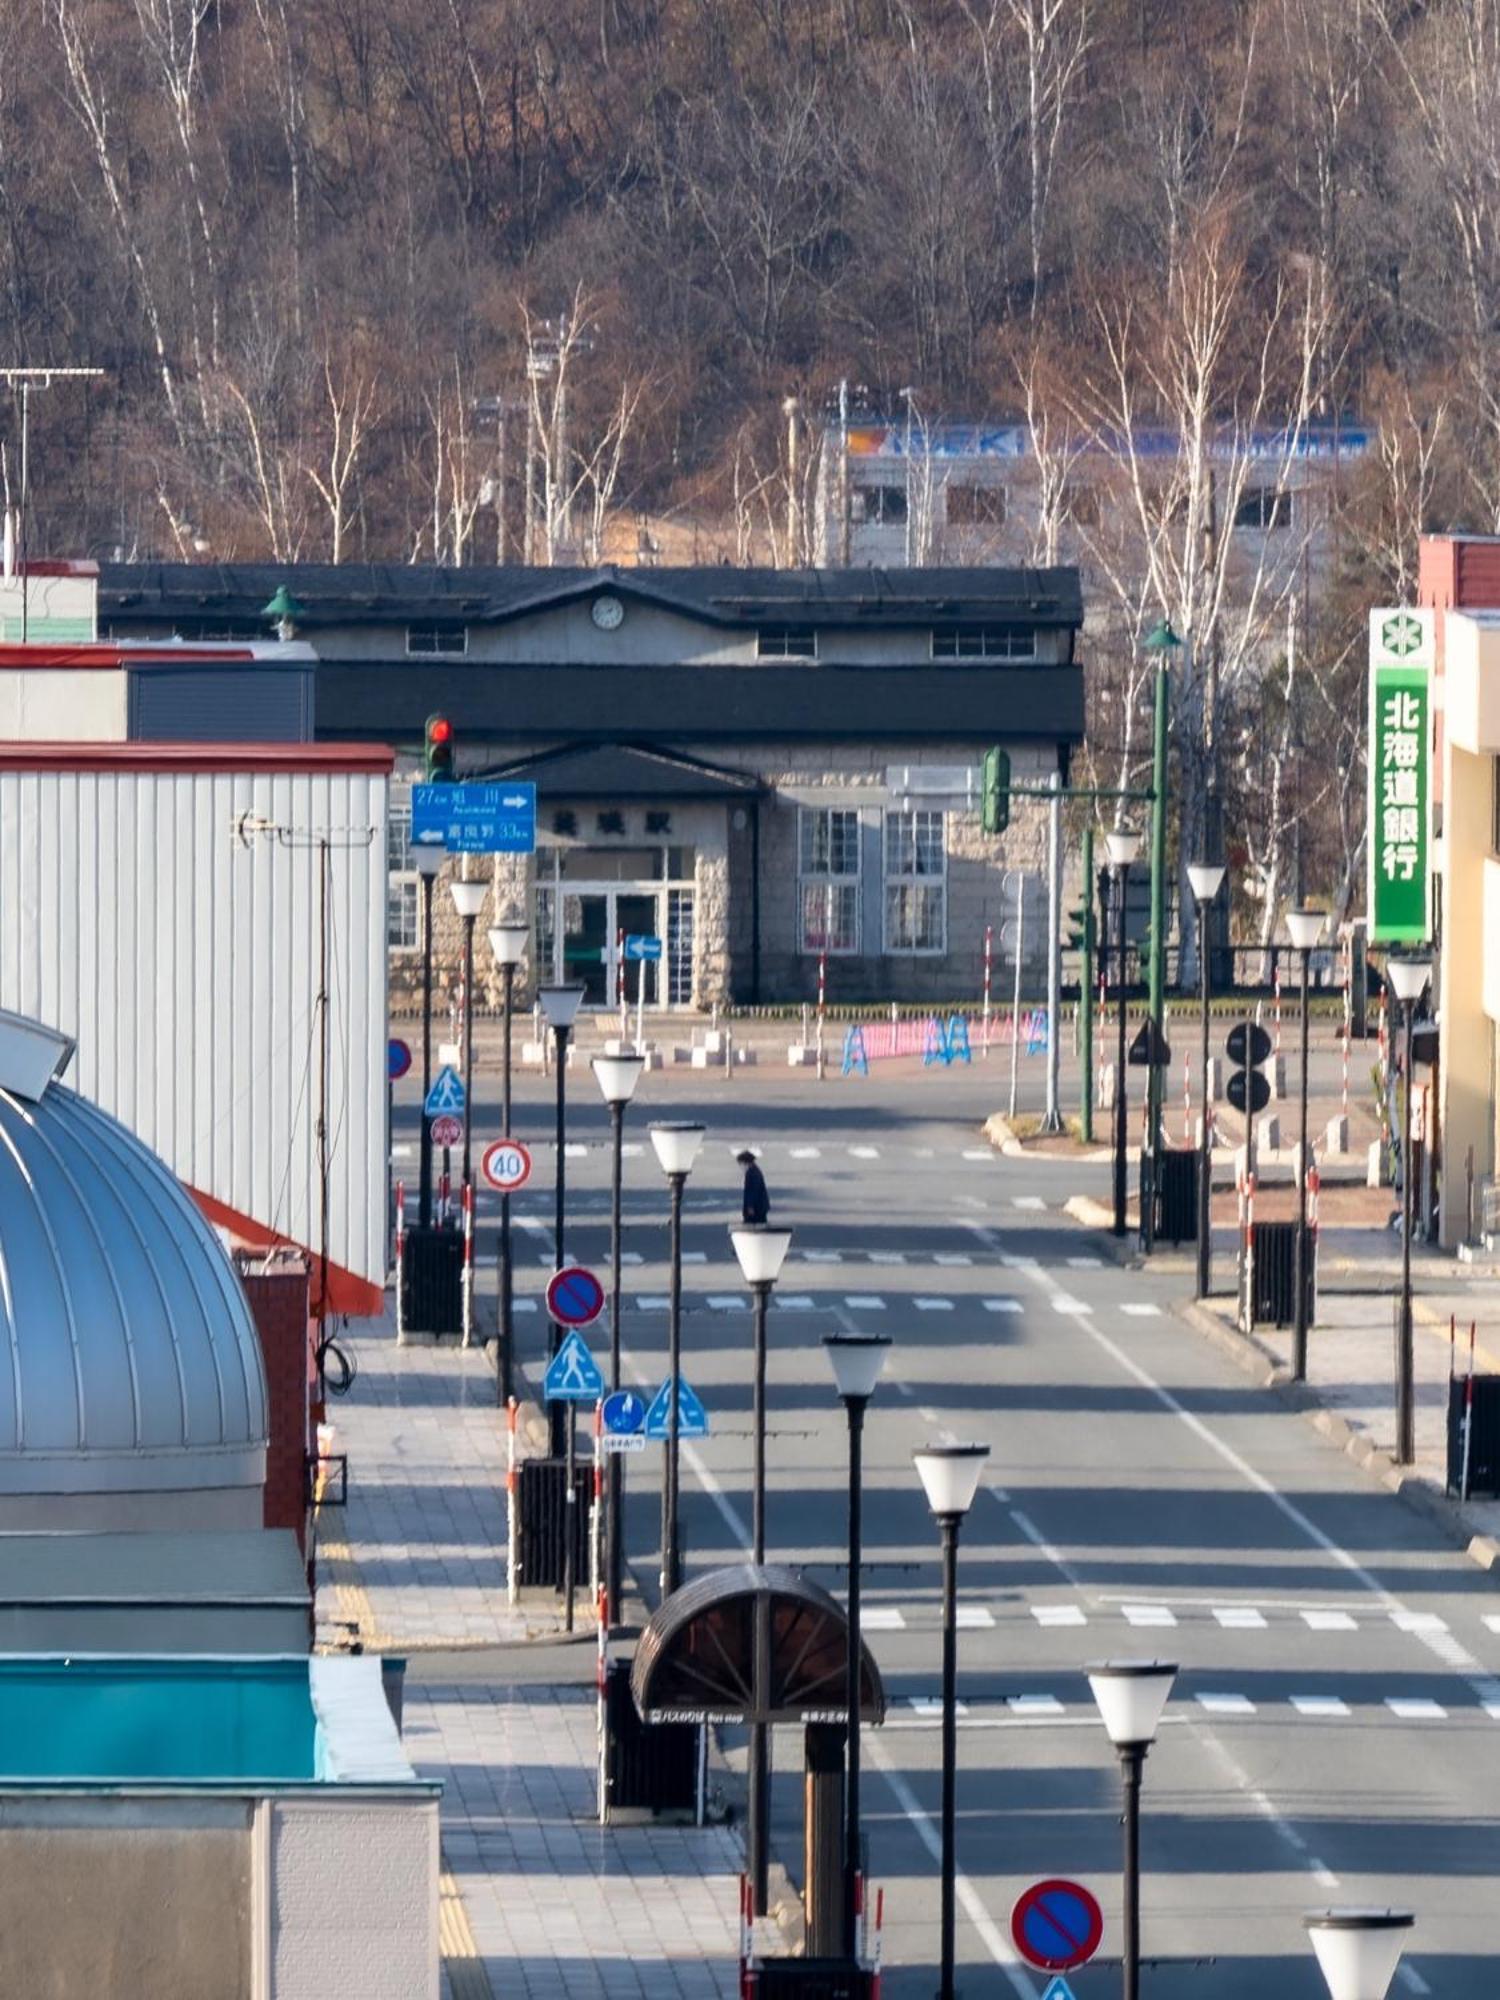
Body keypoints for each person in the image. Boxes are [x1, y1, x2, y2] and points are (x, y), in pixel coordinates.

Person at [738, 1149, 770, 1225]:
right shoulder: (755, 1171)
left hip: (757, 1208)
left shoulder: (752, 1173)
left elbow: (753, 1191)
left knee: (753, 1226)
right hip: (760, 1206)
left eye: (740, 1163)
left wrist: (750, 1206)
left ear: (745, 1162)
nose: (741, 1166)